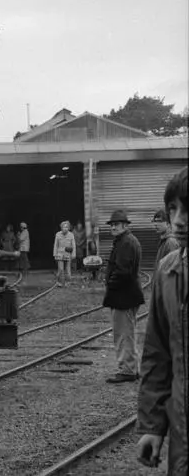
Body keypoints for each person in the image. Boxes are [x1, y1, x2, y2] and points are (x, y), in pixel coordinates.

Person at [136, 167, 187, 474]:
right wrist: (154, 426)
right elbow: (157, 353)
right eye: (173, 209)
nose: (179, 219)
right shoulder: (169, 270)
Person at [102, 209, 144, 384]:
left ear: (125, 225)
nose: (113, 227)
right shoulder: (126, 240)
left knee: (123, 333)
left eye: (116, 224)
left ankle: (127, 370)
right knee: (127, 332)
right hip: (127, 295)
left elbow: (123, 271)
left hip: (123, 296)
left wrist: (111, 284)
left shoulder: (126, 242)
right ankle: (131, 368)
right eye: (111, 224)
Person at [52, 221, 76, 286]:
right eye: (64, 227)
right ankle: (59, 282)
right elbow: (56, 245)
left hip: (68, 254)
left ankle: (68, 282)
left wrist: (73, 254)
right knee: (60, 269)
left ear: (68, 228)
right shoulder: (58, 234)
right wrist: (54, 254)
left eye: (66, 227)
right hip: (59, 254)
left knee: (68, 269)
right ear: (61, 228)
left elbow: (73, 245)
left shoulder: (71, 234)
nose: (65, 228)